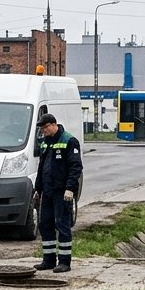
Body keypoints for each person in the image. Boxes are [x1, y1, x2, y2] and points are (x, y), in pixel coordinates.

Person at [33, 113, 83, 273]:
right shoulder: (45, 143)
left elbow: (76, 167)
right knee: (45, 224)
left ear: (54, 124)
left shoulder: (69, 141)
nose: (43, 131)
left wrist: (70, 189)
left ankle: (64, 262)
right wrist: (38, 189)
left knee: (62, 224)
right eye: (42, 129)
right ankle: (48, 260)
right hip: (47, 191)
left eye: (45, 128)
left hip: (62, 192)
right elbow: (41, 168)